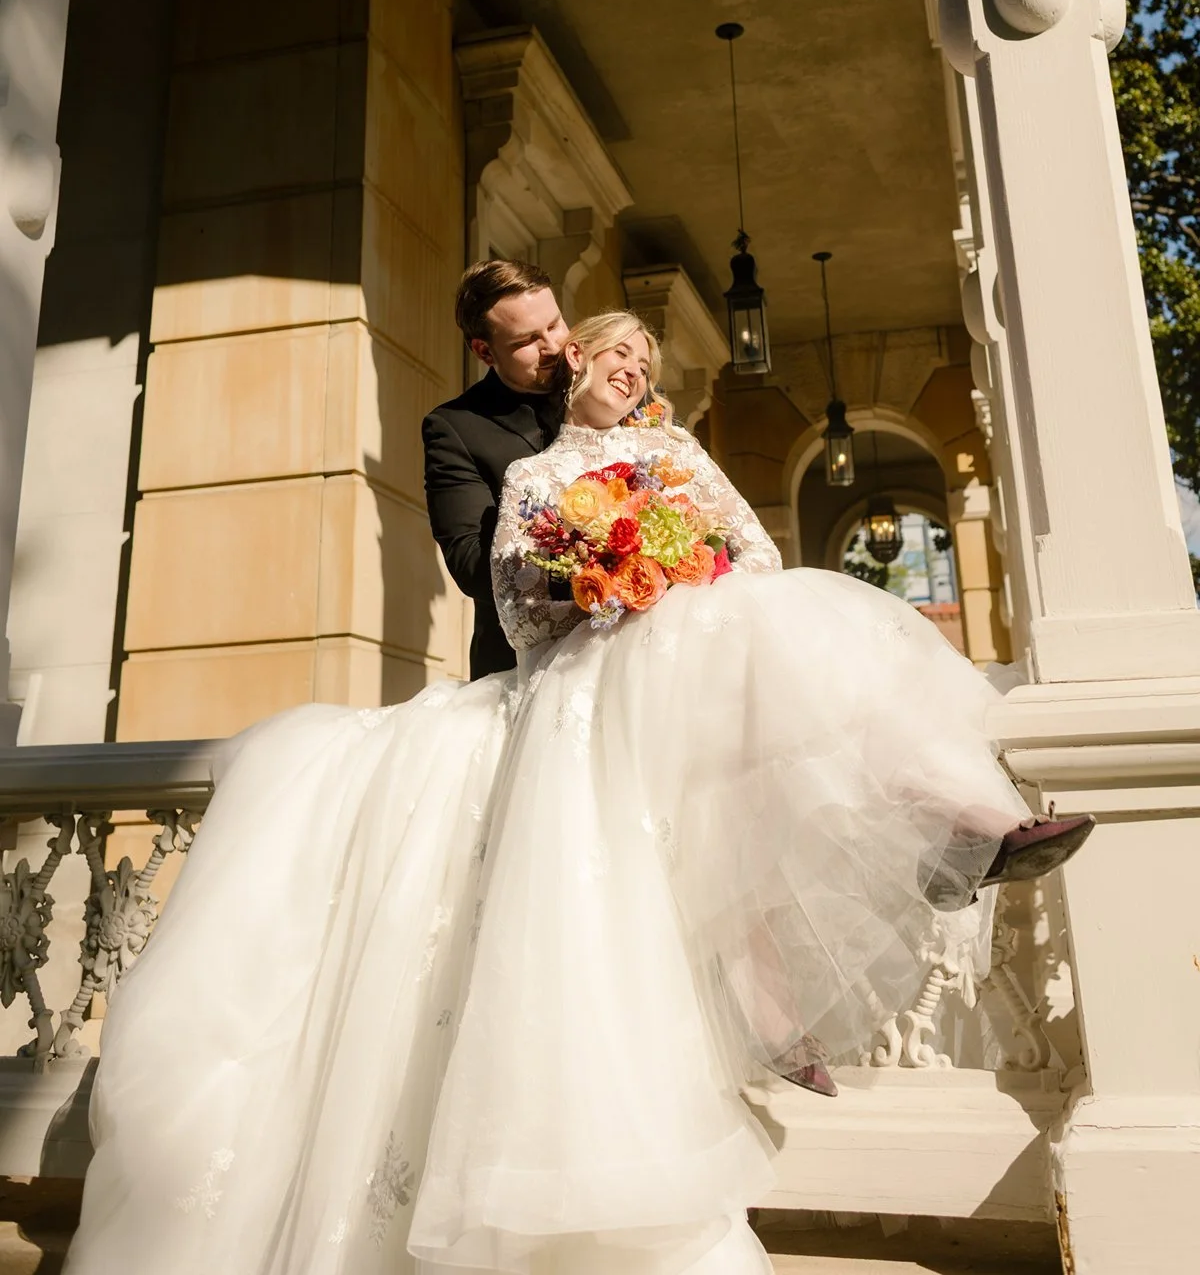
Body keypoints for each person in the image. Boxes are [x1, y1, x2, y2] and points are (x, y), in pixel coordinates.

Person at [64, 312, 1092, 1275]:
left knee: (804, 632)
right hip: (592, 671)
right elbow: (517, 606)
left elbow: (759, 553)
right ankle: (784, 993)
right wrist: (598, 583)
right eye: (617, 354)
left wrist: (675, 571)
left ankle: (968, 827)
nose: (634, 370)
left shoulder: (679, 458)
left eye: (647, 361)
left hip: (692, 652)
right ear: (577, 368)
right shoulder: (535, 480)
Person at [423, 259, 569, 680]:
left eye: (556, 324)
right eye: (528, 340)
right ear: (484, 351)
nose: (553, 347)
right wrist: (593, 571)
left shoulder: (612, 385)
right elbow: (470, 563)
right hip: (520, 668)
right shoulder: (453, 428)